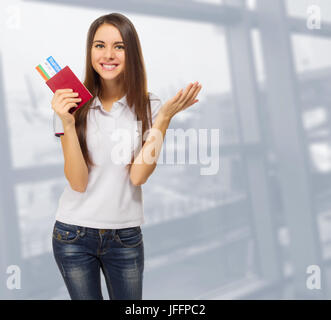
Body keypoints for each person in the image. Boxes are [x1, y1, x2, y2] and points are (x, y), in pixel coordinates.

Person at [51, 12, 202, 300]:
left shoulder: (151, 105)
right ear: (90, 51)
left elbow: (138, 176)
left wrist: (164, 119)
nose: (108, 54)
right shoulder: (70, 103)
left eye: (118, 46)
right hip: (73, 235)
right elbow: (78, 183)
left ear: (130, 52)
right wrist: (68, 123)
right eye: (99, 45)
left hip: (125, 236)